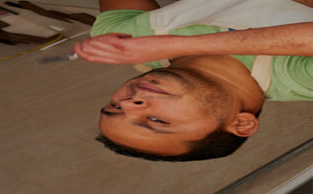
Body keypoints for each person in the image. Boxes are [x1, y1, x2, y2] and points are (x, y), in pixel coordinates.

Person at [73, 0, 313, 161]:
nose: (128, 103)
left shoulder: (126, 36)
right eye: (156, 120)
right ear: (241, 123)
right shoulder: (299, 78)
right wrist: (183, 44)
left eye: (115, 107)